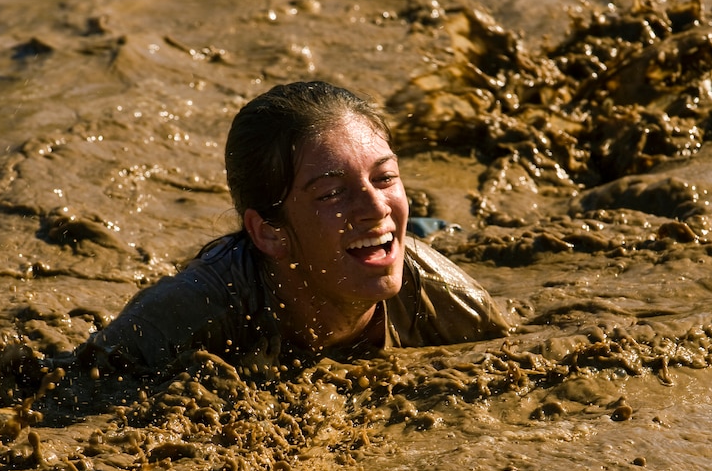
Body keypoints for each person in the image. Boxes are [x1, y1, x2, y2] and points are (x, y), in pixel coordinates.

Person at [74, 81, 511, 384]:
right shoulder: (187, 316)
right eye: (332, 193)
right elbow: (66, 395)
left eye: (385, 178)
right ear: (268, 232)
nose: (376, 206)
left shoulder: (449, 302)